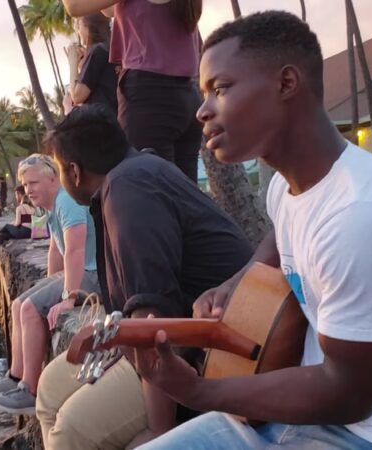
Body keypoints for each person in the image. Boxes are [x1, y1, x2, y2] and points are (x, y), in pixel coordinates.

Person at [128, 12, 372, 450]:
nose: (201, 110)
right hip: (304, 414)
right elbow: (282, 236)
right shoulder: (287, 187)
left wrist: (196, 391)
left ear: (286, 84)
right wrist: (236, 281)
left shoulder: (366, 219)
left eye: (220, 89)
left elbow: (347, 394)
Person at [39, 104, 253, 449]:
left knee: (72, 430)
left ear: (74, 171)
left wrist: (158, 430)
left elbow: (154, 323)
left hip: (202, 352)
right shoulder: (137, 170)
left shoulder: (128, 190)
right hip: (166, 335)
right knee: (49, 389)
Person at [0, 154, 100, 415]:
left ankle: (31, 390)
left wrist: (69, 297)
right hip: (82, 270)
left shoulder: (67, 201)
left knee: (30, 309)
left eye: (33, 183)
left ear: (53, 179)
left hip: (95, 274)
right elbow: (56, 250)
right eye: (25, 185)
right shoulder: (50, 207)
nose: (28, 190)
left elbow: (75, 250)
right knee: (18, 304)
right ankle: (15, 377)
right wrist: (50, 281)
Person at [62, 0, 204, 182]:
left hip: (150, 97)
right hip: (186, 96)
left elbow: (75, 6)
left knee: (148, 187)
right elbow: (109, 10)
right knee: (185, 194)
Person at [64, 13, 118, 115]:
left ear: (87, 27)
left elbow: (77, 96)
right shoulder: (110, 49)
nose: (78, 31)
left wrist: (73, 64)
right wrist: (82, 65)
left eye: (79, 26)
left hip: (100, 121)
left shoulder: (98, 50)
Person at [0, 185, 36, 270]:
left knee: (7, 226)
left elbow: (17, 223)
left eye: (16, 195)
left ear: (19, 194)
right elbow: (24, 222)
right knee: (3, 236)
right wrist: (13, 223)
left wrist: (11, 224)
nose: (16, 197)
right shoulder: (32, 207)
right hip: (30, 232)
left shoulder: (20, 208)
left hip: (23, 232)